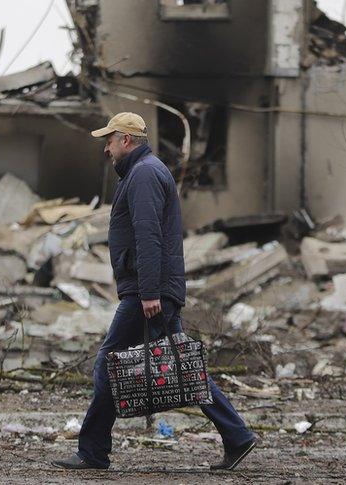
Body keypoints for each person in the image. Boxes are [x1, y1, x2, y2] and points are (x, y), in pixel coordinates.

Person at [51, 112, 256, 471]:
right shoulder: (144, 172)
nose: (107, 148)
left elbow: (149, 237)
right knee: (183, 367)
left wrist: (148, 293)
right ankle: (237, 436)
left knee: (107, 365)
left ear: (126, 140)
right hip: (154, 289)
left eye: (110, 140)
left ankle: (92, 451)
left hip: (149, 293)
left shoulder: (144, 174)